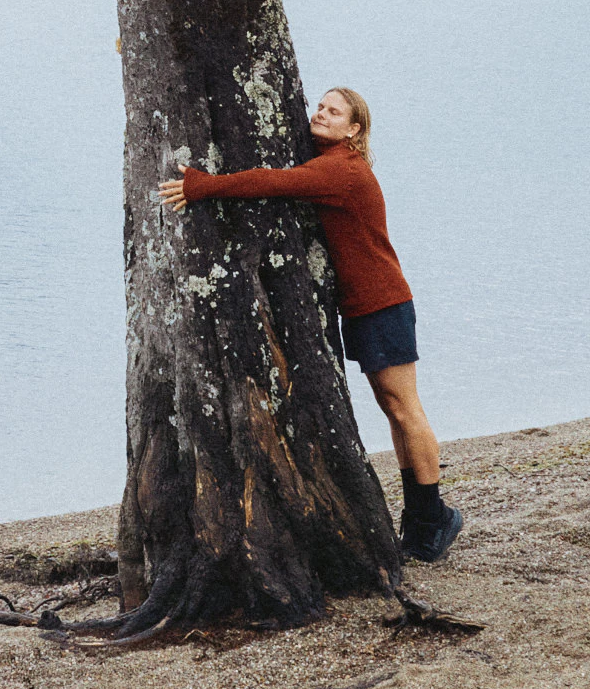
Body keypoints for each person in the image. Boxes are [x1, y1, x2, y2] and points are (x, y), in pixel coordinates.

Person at [154, 87, 460, 561]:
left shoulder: (342, 170)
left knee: (405, 410)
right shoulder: (330, 162)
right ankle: (422, 519)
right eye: (319, 107)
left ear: (354, 129)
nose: (320, 114)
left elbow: (270, 182)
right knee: (391, 408)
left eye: (333, 111)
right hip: (362, 306)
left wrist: (202, 186)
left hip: (384, 303)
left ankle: (433, 516)